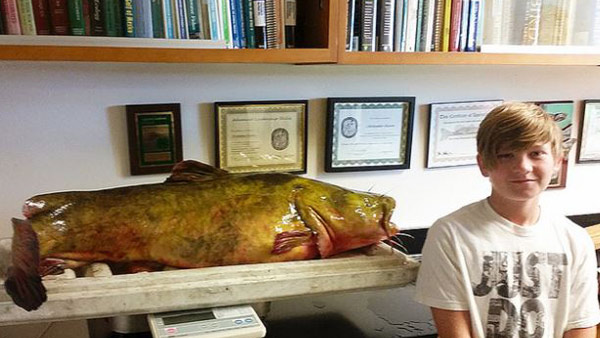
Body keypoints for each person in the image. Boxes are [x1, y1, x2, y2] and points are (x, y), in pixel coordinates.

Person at [414, 102, 600, 337]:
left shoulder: (576, 240)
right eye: (506, 155)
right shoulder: (451, 234)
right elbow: (453, 331)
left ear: (557, 160)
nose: (523, 167)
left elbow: (580, 326)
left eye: (536, 153)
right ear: (483, 164)